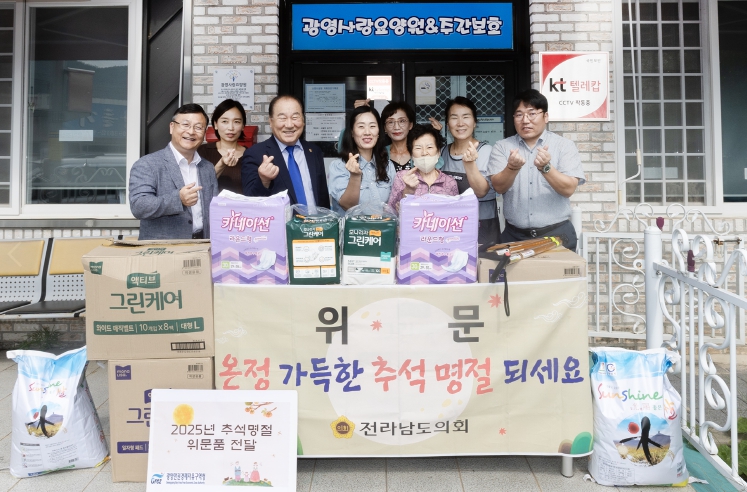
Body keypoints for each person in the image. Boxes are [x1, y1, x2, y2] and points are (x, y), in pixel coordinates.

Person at [489, 89, 585, 251]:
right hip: (514, 236)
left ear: (545, 116)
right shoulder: (502, 147)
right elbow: (498, 187)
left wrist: (546, 168)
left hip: (557, 235)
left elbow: (569, 189)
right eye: (519, 115)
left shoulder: (564, 146)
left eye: (532, 114)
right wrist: (512, 168)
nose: (525, 120)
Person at [129, 103, 219, 240]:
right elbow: (138, 206)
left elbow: (214, 210)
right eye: (185, 125)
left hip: (203, 243)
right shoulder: (147, 164)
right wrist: (178, 199)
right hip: (164, 248)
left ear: (204, 133)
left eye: (198, 127)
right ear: (172, 127)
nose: (191, 132)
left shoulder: (207, 167)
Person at [240, 95, 330, 209]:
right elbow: (250, 204)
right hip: (280, 221)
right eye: (282, 118)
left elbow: (323, 198)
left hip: (314, 220)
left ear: (303, 120)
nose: (289, 125)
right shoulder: (255, 154)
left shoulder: (314, 151)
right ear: (271, 122)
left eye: (295, 117)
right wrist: (264, 181)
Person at [435, 96, 501, 246]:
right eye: (454, 118)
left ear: (475, 122)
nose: (460, 123)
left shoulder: (487, 151)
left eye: (466, 117)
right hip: (449, 226)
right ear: (447, 124)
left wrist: (470, 164)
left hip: (482, 226)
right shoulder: (442, 153)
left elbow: (481, 191)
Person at [328, 105, 395, 214]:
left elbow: (393, 206)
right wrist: (355, 176)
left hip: (382, 225)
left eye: (372, 126)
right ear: (352, 132)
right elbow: (347, 206)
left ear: (379, 132)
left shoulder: (388, 166)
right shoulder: (338, 166)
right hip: (352, 226)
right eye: (361, 126)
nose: (367, 132)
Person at [387, 124, 458, 211]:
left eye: (429, 147)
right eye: (418, 148)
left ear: (438, 152)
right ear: (411, 154)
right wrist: (408, 190)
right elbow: (391, 212)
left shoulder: (450, 182)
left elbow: (455, 213)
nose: (424, 153)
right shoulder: (402, 177)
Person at [199, 99, 247, 194]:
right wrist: (221, 164)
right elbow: (199, 185)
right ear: (215, 124)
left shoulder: (250, 154)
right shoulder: (202, 152)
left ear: (243, 126)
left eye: (237, 122)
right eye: (225, 121)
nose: (231, 128)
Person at [381, 101, 416, 171]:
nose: (396, 127)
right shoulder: (379, 154)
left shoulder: (420, 151)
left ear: (410, 125)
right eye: (390, 122)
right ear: (385, 128)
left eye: (402, 121)